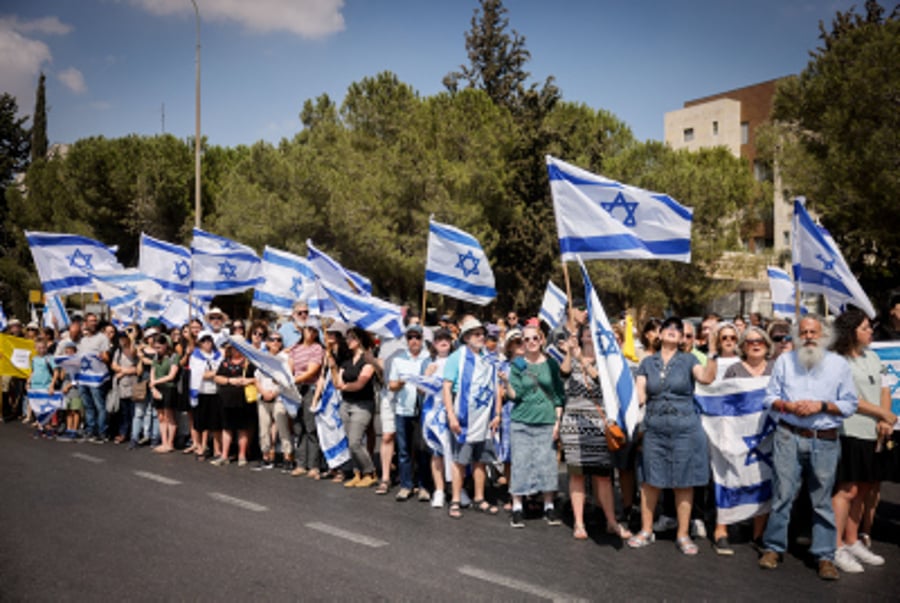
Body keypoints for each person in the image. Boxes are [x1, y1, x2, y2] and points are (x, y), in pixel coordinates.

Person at [758, 315, 859, 581]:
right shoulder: (784, 361)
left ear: (824, 335)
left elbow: (849, 404)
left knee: (821, 500)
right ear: (796, 335)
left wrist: (821, 406)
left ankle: (825, 555)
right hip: (788, 435)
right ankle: (773, 547)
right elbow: (769, 397)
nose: (809, 337)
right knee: (782, 494)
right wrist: (786, 406)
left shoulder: (838, 365)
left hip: (824, 438)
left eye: (814, 332)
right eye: (803, 332)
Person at [628, 316, 718, 555]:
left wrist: (713, 354)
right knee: (650, 480)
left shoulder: (690, 360)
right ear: (659, 334)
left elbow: (707, 378)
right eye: (667, 327)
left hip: (685, 428)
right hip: (655, 427)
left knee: (684, 481)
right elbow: (640, 395)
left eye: (678, 329)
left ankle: (683, 534)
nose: (672, 330)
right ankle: (646, 530)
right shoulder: (647, 362)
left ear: (682, 338)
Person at [829, 310, 895, 573]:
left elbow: (885, 388)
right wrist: (881, 413)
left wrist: (885, 420)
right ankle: (836, 547)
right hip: (850, 432)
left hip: (875, 432)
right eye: (865, 328)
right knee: (848, 490)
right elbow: (849, 398)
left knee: (866, 487)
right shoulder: (836, 361)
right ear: (851, 331)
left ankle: (853, 540)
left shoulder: (873, 356)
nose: (871, 332)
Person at [558, 324, 632, 541]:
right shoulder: (572, 357)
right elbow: (563, 375)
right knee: (577, 475)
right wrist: (571, 353)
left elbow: (604, 384)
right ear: (580, 336)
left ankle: (611, 521)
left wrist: (583, 359)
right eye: (585, 331)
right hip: (574, 424)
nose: (589, 334)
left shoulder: (607, 362)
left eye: (593, 331)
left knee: (603, 477)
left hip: (599, 424)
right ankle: (579, 523)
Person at [711, 326, 775, 555]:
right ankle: (721, 529)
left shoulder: (776, 369)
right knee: (732, 478)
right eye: (749, 341)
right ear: (743, 346)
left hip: (767, 437)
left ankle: (759, 533)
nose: (755, 344)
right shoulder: (734, 370)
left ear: (767, 345)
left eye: (760, 341)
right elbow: (723, 404)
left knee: (762, 481)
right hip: (738, 438)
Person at [505, 324, 564, 527]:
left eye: (534, 338)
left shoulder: (552, 364)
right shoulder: (518, 365)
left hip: (546, 420)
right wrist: (507, 384)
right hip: (522, 420)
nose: (530, 342)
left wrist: (558, 421)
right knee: (520, 463)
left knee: (547, 464)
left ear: (541, 340)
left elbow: (558, 396)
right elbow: (515, 395)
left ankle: (548, 506)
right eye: (526, 339)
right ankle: (517, 507)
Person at [442, 317, 502, 519]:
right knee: (460, 461)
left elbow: (496, 387)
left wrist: (497, 414)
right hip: (464, 419)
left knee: (481, 461)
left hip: (485, 419)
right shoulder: (456, 357)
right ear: (466, 337)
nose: (481, 337)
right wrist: (451, 415)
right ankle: (456, 499)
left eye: (482, 333)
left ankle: (479, 498)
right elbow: (447, 387)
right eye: (476, 334)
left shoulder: (490, 357)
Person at [387, 324, 431, 501]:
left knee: (422, 450)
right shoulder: (399, 360)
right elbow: (391, 385)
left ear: (422, 339)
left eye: (417, 337)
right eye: (410, 337)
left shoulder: (428, 359)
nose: (414, 341)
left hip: (423, 410)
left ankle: (423, 486)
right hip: (403, 409)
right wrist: (402, 383)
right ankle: (406, 485)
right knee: (404, 451)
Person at [333, 327, 378, 488]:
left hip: (363, 404)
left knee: (355, 441)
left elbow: (360, 383)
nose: (348, 340)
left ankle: (370, 472)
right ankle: (358, 473)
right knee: (349, 441)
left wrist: (344, 386)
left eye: (351, 337)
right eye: (347, 338)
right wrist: (332, 366)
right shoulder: (346, 361)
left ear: (359, 340)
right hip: (346, 404)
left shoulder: (367, 360)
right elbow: (337, 382)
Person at [422, 327, 455, 508]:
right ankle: (439, 490)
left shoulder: (457, 361)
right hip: (433, 412)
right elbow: (420, 389)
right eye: (440, 339)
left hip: (451, 412)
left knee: (455, 452)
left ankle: (457, 489)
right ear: (434, 343)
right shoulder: (429, 363)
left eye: (447, 339)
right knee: (437, 453)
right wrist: (426, 376)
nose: (443, 342)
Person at [211, 339, 257, 467]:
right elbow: (217, 377)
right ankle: (224, 455)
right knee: (227, 428)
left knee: (243, 428)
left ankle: (242, 455)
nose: (235, 351)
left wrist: (246, 380)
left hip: (243, 400)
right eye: (233, 348)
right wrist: (230, 380)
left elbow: (257, 378)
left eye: (238, 348)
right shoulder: (225, 363)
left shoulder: (249, 363)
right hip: (226, 400)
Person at [254, 331, 294, 472]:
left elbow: (288, 379)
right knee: (264, 429)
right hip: (263, 396)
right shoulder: (261, 358)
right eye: (272, 340)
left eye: (278, 340)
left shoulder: (285, 358)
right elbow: (256, 379)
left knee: (283, 428)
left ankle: (287, 458)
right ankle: (266, 457)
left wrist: (275, 392)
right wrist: (263, 392)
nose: (275, 342)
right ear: (267, 342)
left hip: (280, 397)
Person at [289, 323, 325, 478]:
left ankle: (314, 465)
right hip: (295, 389)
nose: (310, 333)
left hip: (309, 388)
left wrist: (294, 379)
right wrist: (290, 380)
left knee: (311, 428)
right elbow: (289, 367)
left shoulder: (317, 348)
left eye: (313, 330)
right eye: (308, 329)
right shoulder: (295, 349)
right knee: (298, 427)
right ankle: (301, 463)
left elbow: (312, 371)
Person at [77, 313, 111, 443]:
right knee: (88, 405)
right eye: (91, 321)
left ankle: (102, 431)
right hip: (84, 377)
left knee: (99, 406)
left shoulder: (102, 338)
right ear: (85, 323)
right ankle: (91, 429)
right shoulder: (83, 340)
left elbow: (107, 357)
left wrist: (103, 358)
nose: (93, 323)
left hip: (96, 378)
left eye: (95, 321)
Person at [188, 330, 222, 460]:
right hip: (201, 392)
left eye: (209, 340)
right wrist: (213, 373)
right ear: (199, 343)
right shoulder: (195, 356)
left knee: (215, 423)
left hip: (215, 392)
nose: (207, 343)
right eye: (204, 340)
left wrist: (212, 373)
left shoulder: (218, 355)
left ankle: (216, 449)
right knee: (200, 423)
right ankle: (200, 447)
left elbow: (220, 371)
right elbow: (201, 374)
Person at [149, 333, 181, 453]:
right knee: (161, 416)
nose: (157, 350)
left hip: (169, 388)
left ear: (165, 345)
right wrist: (153, 387)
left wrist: (155, 382)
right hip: (157, 388)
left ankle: (170, 443)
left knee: (169, 416)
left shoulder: (174, 357)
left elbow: (171, 375)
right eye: (155, 347)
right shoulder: (156, 357)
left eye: (159, 347)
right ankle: (164, 442)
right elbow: (152, 371)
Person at [110, 330, 139, 445]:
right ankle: (123, 433)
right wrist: (125, 371)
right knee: (123, 412)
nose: (122, 340)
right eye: (120, 338)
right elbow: (114, 366)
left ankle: (134, 433)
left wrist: (125, 372)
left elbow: (137, 367)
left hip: (134, 384)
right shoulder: (118, 351)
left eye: (124, 338)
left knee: (134, 412)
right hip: (122, 386)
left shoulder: (135, 350)